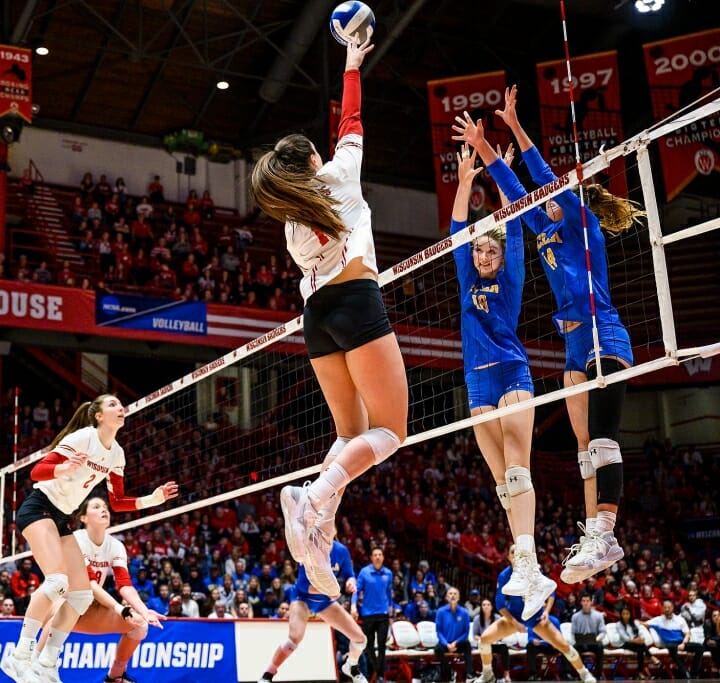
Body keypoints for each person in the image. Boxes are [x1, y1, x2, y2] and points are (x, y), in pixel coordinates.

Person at [454, 86, 645, 583]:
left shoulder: (583, 224)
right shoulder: (542, 227)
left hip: (605, 334)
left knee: (602, 439)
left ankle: (607, 532)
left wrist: (515, 126)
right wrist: (483, 147)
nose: (545, 200)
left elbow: (538, 176)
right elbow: (514, 189)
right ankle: (592, 538)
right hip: (573, 346)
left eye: (554, 196)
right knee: (584, 445)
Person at [249, 37, 407, 598]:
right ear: (313, 159)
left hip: (315, 318)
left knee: (350, 433)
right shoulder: (338, 175)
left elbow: (342, 130)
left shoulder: (291, 222)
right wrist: (352, 63)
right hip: (357, 303)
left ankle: (316, 527)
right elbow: (353, 119)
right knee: (391, 432)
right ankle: (313, 499)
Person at [0, 395, 178, 683]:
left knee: (81, 596)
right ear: (98, 415)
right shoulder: (84, 437)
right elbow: (36, 471)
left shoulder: (117, 454)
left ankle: (46, 662)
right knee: (57, 582)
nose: (120, 409)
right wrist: (63, 468)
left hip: (61, 517)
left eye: (121, 406)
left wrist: (152, 499)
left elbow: (117, 501)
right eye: (112, 405)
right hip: (39, 507)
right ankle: (20, 656)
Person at [451, 142, 555, 620]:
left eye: (490, 248)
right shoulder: (464, 273)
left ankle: (529, 561)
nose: (484, 253)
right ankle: (527, 566)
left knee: (517, 472)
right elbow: (456, 231)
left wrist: (498, 175)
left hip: (512, 374)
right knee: (499, 484)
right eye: (480, 249)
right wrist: (465, 181)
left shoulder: (510, 272)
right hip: (476, 384)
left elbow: (512, 222)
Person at [28, 497, 163, 683]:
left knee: (140, 625)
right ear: (83, 518)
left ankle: (115, 675)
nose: (104, 510)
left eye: (106, 507)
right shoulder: (74, 540)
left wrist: (143, 610)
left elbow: (124, 584)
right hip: (58, 601)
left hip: (89, 607)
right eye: (97, 506)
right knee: (63, 608)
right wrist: (119, 608)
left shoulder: (116, 546)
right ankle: (34, 667)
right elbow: (89, 583)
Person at [469, 548, 595, 683]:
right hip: (515, 617)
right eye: (512, 552)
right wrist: (514, 623)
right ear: (508, 557)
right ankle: (488, 675)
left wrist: (546, 612)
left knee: (563, 645)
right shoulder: (504, 576)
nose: (516, 555)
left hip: (535, 616)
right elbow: (500, 604)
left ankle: (584, 673)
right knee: (484, 640)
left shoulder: (534, 570)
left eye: (519, 552)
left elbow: (551, 593)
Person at [257, 545, 366, 683]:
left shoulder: (341, 550)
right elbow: (303, 585)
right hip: (302, 597)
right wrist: (328, 591)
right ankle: (268, 674)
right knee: (294, 638)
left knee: (360, 639)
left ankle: (351, 666)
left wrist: (351, 582)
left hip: (324, 601)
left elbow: (350, 574)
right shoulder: (309, 549)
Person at [352, 547, 393, 683]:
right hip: (368, 614)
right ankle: (378, 671)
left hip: (383, 614)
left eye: (380, 554)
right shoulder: (364, 572)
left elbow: (389, 592)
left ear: (383, 557)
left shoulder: (388, 573)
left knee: (382, 646)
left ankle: (380, 676)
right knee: (368, 646)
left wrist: (391, 607)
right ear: (371, 557)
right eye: (375, 555)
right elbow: (356, 591)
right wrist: (353, 605)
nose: (377, 557)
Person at [647, 599, 703, 679]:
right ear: (662, 609)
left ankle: (694, 673)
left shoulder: (680, 620)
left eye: (669, 607)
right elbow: (644, 623)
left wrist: (683, 643)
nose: (667, 609)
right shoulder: (657, 620)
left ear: (672, 608)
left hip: (682, 642)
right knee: (671, 647)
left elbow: (687, 634)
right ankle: (684, 672)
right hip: (671, 644)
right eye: (665, 607)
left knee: (700, 647)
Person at [434, 587, 474, 682]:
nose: (452, 595)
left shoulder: (464, 612)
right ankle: (449, 672)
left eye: (455, 594)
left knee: (467, 646)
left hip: (459, 643)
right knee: (437, 649)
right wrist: (447, 644)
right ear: (447, 597)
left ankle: (469, 675)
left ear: (459, 597)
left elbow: (466, 632)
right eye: (450, 594)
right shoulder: (440, 611)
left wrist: (456, 643)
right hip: (445, 643)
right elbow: (438, 631)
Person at [470, 598, 510, 683]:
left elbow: (502, 633)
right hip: (483, 643)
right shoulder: (477, 618)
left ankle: (506, 674)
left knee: (504, 648)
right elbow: (475, 635)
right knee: (484, 646)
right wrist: (484, 639)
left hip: (495, 642)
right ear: (481, 607)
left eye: (488, 605)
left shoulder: (497, 617)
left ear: (491, 607)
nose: (486, 607)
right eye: (484, 605)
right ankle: (486, 674)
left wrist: (494, 639)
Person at [570, 594, 606, 677]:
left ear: (591, 602)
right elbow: (572, 633)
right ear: (581, 603)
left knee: (600, 647)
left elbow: (603, 631)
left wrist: (598, 638)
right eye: (583, 601)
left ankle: (599, 674)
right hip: (580, 643)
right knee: (574, 649)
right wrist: (573, 641)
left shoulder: (598, 615)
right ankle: (579, 674)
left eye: (587, 601)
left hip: (594, 642)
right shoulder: (575, 616)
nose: (586, 603)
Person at [614, 605, 650, 677]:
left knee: (640, 649)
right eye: (623, 614)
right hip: (624, 644)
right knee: (640, 646)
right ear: (621, 615)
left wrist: (641, 639)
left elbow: (641, 633)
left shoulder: (635, 622)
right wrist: (636, 641)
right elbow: (625, 638)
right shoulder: (619, 624)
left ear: (630, 614)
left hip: (636, 644)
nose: (625, 616)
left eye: (627, 614)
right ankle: (650, 656)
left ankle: (640, 671)